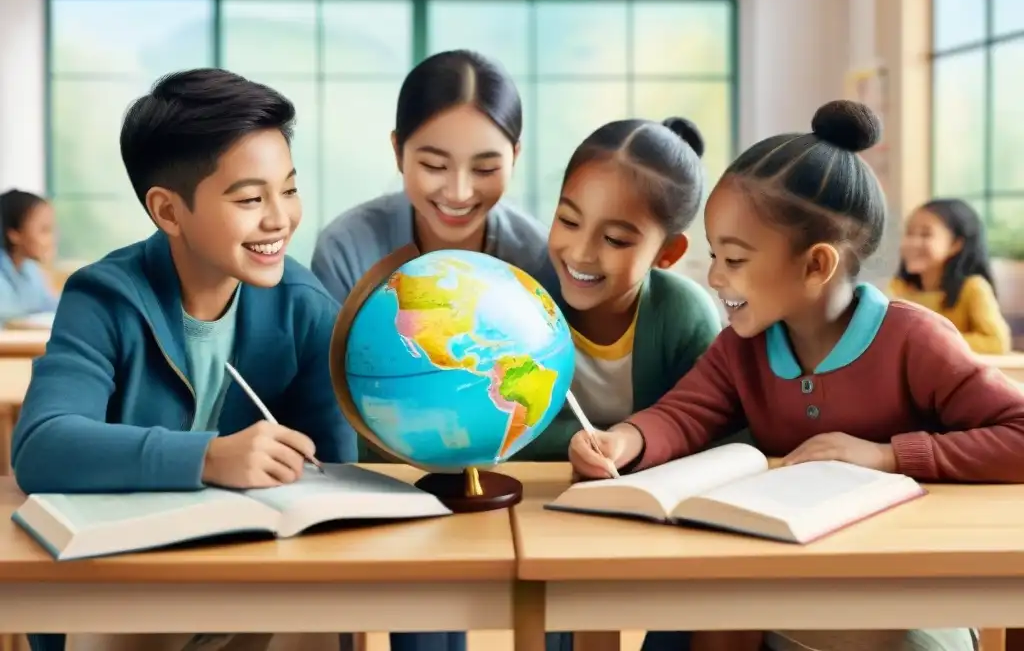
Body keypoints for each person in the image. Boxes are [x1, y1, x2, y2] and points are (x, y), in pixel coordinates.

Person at [568, 100, 1024, 651]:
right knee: (682, 628)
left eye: (734, 260)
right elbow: (685, 412)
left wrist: (888, 456)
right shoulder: (744, 345)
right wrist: (626, 439)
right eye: (714, 254)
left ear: (816, 265)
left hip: (902, 584)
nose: (714, 277)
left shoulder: (915, 341)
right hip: (778, 572)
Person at [12, 69, 357, 651]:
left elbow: (335, 482)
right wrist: (210, 458)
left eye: (290, 189)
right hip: (123, 580)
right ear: (168, 212)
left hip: (260, 581)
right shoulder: (104, 298)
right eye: (250, 198)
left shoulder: (307, 308)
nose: (280, 218)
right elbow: (41, 445)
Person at [311, 49, 554, 651]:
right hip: (385, 478)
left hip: (513, 473)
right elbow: (330, 398)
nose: (459, 191)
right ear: (398, 151)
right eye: (433, 164)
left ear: (516, 157)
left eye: (487, 165)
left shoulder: (538, 254)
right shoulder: (346, 244)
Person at [523, 116, 721, 462]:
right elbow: (498, 427)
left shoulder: (684, 315)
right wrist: (575, 441)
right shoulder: (521, 302)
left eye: (615, 239)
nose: (581, 253)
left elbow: (710, 423)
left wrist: (628, 442)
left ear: (667, 253)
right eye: (568, 221)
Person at [890, 198, 1011, 354]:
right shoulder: (898, 287)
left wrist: (929, 339)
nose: (912, 242)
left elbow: (997, 343)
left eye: (925, 234)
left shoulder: (973, 288)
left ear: (955, 244)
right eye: (909, 233)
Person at [0, 188, 59, 325]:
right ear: (14, 233)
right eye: (45, 230)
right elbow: (9, 319)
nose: (53, 239)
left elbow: (54, 307)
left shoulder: (30, 271)